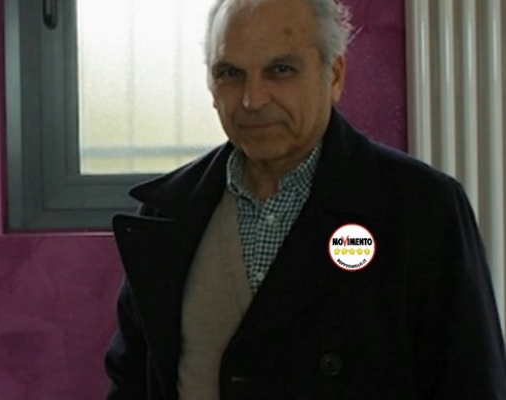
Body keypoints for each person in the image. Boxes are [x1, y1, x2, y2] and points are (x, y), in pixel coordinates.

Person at [105, 0, 506, 398]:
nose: (252, 99)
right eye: (230, 73)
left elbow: (471, 383)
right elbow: (131, 382)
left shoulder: (421, 209)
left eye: (280, 70)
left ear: (334, 76)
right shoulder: (166, 214)